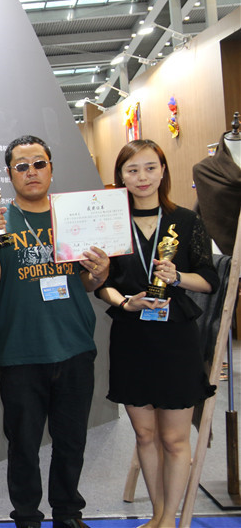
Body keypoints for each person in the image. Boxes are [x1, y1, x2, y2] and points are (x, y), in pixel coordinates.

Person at [0, 135, 110, 528]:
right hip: (21, 351)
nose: (31, 172)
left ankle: (68, 513)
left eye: (38, 163)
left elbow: (87, 282)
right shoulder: (0, 219)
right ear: (9, 174)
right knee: (23, 444)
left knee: (71, 440)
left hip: (74, 346)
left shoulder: (72, 215)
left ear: (51, 168)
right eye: (21, 166)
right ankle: (27, 517)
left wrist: (100, 273)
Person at [95, 139, 217, 528]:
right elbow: (103, 285)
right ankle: (157, 514)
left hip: (176, 340)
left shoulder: (187, 221)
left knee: (174, 439)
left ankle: (169, 520)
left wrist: (178, 277)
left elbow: (209, 279)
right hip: (131, 338)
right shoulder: (111, 223)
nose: (142, 177)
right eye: (132, 170)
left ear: (163, 171)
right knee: (145, 435)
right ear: (121, 177)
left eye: (150, 168)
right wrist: (125, 303)